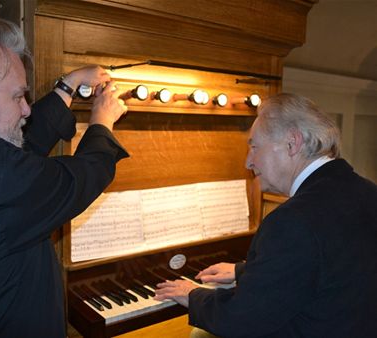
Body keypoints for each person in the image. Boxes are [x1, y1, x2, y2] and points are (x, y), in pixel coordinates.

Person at [0, 18, 129, 338]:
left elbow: (24, 148)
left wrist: (69, 85)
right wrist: (101, 122)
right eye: (17, 96)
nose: (26, 110)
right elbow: (84, 176)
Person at [155, 93, 377, 338]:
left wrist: (192, 295)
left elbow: (241, 320)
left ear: (292, 143)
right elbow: (329, 264)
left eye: (254, 146)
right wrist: (244, 271)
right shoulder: (367, 191)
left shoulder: (292, 220)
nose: (248, 162)